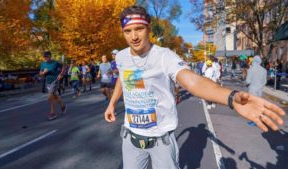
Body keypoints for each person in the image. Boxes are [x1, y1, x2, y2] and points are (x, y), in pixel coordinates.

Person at [104, 6, 285, 169]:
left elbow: (194, 81)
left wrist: (230, 97)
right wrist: (112, 103)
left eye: (139, 29)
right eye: (128, 31)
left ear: (149, 29)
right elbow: (123, 78)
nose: (134, 36)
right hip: (131, 139)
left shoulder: (164, 56)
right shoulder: (121, 57)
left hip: (160, 141)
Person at [39, 51, 67, 120]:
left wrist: (61, 74)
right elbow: (40, 74)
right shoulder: (43, 64)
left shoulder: (55, 63)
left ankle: (52, 113)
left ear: (50, 56)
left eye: (47, 56)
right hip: (47, 82)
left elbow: (64, 66)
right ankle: (63, 105)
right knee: (54, 95)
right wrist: (43, 72)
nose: (45, 58)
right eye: (44, 57)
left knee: (50, 97)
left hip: (55, 80)